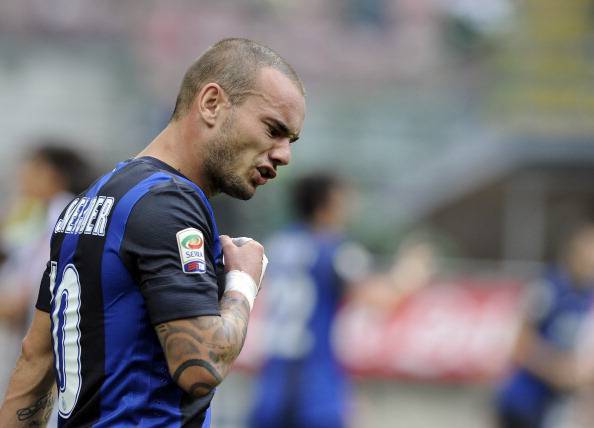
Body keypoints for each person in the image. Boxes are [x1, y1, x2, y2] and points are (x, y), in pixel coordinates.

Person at [0, 37, 306, 427]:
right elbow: (199, 365)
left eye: (290, 140)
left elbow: (35, 359)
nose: (284, 154)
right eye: (273, 129)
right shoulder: (171, 203)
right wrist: (243, 282)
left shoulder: (88, 202)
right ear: (212, 103)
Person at [0, 143, 95, 394]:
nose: (22, 175)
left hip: (48, 358)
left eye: (32, 167)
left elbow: (24, 301)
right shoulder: (36, 215)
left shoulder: (61, 216)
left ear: (52, 174)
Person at [495, 224, 594, 428]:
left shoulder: (587, 295)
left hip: (554, 405)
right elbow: (519, 344)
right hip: (522, 399)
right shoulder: (547, 287)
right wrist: (556, 370)